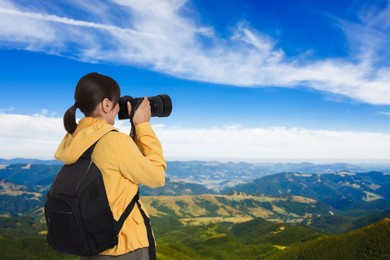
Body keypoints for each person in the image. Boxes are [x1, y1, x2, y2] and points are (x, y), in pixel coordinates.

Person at [55, 72, 166, 259]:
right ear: (106, 104)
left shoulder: (74, 139)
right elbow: (157, 176)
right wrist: (143, 126)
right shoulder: (113, 142)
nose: (117, 108)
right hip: (124, 246)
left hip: (91, 245)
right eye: (116, 103)